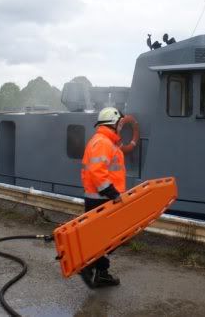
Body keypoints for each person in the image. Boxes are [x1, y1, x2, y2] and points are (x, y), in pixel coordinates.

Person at [79, 107, 126, 288]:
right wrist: (112, 194)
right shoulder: (103, 143)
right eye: (119, 123)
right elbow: (98, 172)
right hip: (102, 198)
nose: (120, 127)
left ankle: (100, 272)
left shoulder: (102, 141)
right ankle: (89, 266)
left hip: (100, 197)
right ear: (112, 124)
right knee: (108, 237)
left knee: (104, 238)